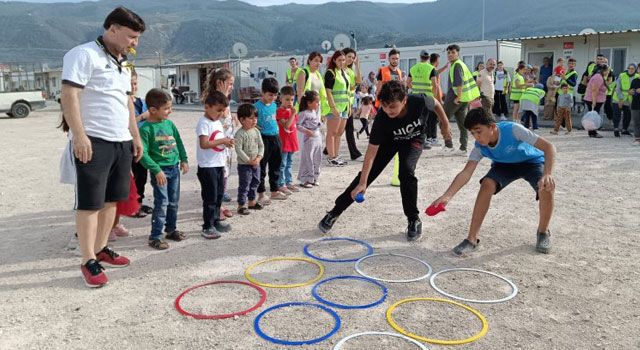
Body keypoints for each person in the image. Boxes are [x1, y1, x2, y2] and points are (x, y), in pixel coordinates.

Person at [60, 7, 145, 288]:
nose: (135, 43)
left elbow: (127, 105)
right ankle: (87, 260)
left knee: (112, 200)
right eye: (132, 36)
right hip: (94, 141)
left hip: (120, 141)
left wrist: (135, 136)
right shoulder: (83, 54)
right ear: (113, 29)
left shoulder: (122, 63)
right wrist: (79, 136)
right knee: (90, 203)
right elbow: (69, 95)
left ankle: (101, 248)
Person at [318, 81, 453, 241]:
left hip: (413, 139)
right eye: (385, 106)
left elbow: (436, 103)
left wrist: (444, 124)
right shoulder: (382, 119)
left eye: (393, 107)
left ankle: (413, 219)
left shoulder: (419, 100)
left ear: (404, 100)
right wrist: (363, 182)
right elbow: (371, 153)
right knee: (366, 175)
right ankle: (335, 212)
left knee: (406, 172)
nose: (389, 110)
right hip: (389, 141)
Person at [431, 108, 556, 256]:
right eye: (472, 133)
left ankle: (543, 232)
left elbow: (549, 147)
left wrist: (547, 174)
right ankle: (472, 239)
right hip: (504, 166)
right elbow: (466, 173)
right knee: (487, 184)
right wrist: (447, 196)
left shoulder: (513, 130)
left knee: (546, 187)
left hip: (531, 162)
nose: (476, 137)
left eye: (479, 131)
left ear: (492, 126)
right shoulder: (480, 147)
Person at [138, 89, 188, 249]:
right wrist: (156, 169)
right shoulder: (145, 129)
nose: (170, 111)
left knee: (173, 202)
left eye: (170, 107)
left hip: (174, 169)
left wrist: (184, 159)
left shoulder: (169, 124)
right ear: (152, 110)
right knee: (162, 203)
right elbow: (143, 154)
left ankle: (171, 229)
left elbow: (178, 141)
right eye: (166, 108)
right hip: (160, 172)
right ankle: (155, 237)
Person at [196, 91, 234, 239]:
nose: (221, 114)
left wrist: (227, 142)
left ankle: (216, 221)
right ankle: (207, 226)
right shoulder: (204, 123)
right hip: (207, 166)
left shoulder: (216, 121)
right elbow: (204, 143)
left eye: (223, 110)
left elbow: (218, 139)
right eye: (218, 110)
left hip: (218, 164)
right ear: (207, 107)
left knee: (219, 195)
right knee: (210, 197)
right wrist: (222, 141)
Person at [201, 68, 236, 219]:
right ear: (220, 83)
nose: (232, 87)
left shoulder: (225, 99)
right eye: (230, 83)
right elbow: (216, 119)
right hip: (216, 145)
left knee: (225, 174)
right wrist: (223, 96)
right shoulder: (214, 100)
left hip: (225, 146)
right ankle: (216, 208)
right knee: (217, 179)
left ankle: (220, 203)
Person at [255, 77, 287, 203]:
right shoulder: (256, 106)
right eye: (270, 95)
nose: (272, 97)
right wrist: (257, 127)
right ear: (262, 92)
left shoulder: (274, 105)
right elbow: (251, 121)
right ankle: (261, 193)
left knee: (276, 165)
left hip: (275, 137)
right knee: (262, 167)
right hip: (263, 139)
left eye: (275, 95)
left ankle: (274, 190)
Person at [444, 44, 480, 155]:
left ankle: (448, 146)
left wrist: (458, 98)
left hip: (455, 99)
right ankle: (463, 148)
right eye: (448, 53)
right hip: (463, 99)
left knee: (443, 121)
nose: (450, 55)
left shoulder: (457, 65)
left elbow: (459, 83)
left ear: (458, 53)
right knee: (462, 123)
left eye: (453, 52)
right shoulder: (460, 64)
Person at [130, 70, 153, 218]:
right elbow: (128, 124)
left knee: (142, 176)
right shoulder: (123, 104)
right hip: (129, 145)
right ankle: (131, 205)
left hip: (143, 144)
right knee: (134, 176)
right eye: (130, 83)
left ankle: (139, 202)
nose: (133, 86)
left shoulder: (142, 102)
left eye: (135, 83)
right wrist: (140, 117)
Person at [234, 103, 264, 215]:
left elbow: (261, 145)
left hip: (256, 163)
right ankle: (241, 205)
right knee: (245, 184)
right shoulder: (239, 134)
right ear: (242, 119)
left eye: (256, 117)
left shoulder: (256, 131)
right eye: (251, 118)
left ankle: (251, 202)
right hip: (244, 165)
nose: (254, 120)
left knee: (255, 182)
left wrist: (259, 157)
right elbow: (238, 149)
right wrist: (248, 160)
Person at [322, 50, 351, 167]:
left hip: (344, 107)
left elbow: (347, 91)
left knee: (339, 133)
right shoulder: (331, 72)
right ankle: (331, 157)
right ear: (334, 60)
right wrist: (333, 107)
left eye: (343, 60)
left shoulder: (344, 72)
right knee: (332, 132)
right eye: (339, 60)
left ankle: (336, 155)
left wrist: (348, 106)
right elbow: (328, 91)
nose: (342, 62)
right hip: (335, 107)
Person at [407, 50, 438, 150]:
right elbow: (435, 85)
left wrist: (415, 88)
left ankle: (412, 140)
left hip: (415, 97)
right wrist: (434, 97)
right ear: (428, 58)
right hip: (426, 97)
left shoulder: (413, 68)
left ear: (420, 57)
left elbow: (408, 83)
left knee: (416, 120)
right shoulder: (431, 68)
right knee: (424, 120)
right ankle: (422, 141)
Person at [297, 90, 323, 188]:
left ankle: (314, 177)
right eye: (316, 102)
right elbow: (297, 125)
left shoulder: (314, 112)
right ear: (309, 103)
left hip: (317, 138)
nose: (318, 104)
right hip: (309, 139)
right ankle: (305, 179)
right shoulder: (303, 113)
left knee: (317, 158)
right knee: (308, 158)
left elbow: (317, 122)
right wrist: (307, 131)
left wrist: (319, 124)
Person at [276, 86, 299, 194]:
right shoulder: (280, 111)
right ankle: (281, 183)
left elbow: (295, 125)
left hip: (292, 141)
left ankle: (288, 181)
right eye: (287, 99)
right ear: (281, 98)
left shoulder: (292, 110)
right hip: (284, 142)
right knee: (282, 163)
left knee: (289, 163)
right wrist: (293, 113)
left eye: (292, 99)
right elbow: (287, 126)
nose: (290, 102)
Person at [343, 48, 363, 161]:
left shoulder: (350, 71)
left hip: (348, 104)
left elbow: (358, 81)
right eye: (349, 56)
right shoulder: (339, 71)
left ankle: (354, 153)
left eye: (352, 57)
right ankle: (354, 153)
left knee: (348, 129)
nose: (351, 59)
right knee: (339, 130)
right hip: (340, 105)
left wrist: (357, 66)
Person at [584, 65, 610, 138]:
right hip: (593, 100)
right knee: (593, 117)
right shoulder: (598, 77)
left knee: (594, 116)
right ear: (604, 70)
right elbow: (594, 90)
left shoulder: (599, 76)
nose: (608, 72)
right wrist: (594, 102)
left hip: (595, 99)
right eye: (608, 70)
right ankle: (593, 132)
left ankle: (592, 132)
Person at [613, 64, 636, 137]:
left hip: (629, 99)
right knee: (617, 114)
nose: (630, 70)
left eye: (632, 68)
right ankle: (616, 129)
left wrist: (633, 92)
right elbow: (618, 87)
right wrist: (620, 98)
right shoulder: (622, 75)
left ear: (635, 69)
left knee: (628, 115)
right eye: (629, 68)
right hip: (618, 98)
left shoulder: (637, 76)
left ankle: (624, 130)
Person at [630, 75, 640, 145]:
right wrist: (631, 91)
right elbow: (630, 92)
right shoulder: (634, 80)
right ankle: (637, 139)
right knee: (636, 122)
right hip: (635, 104)